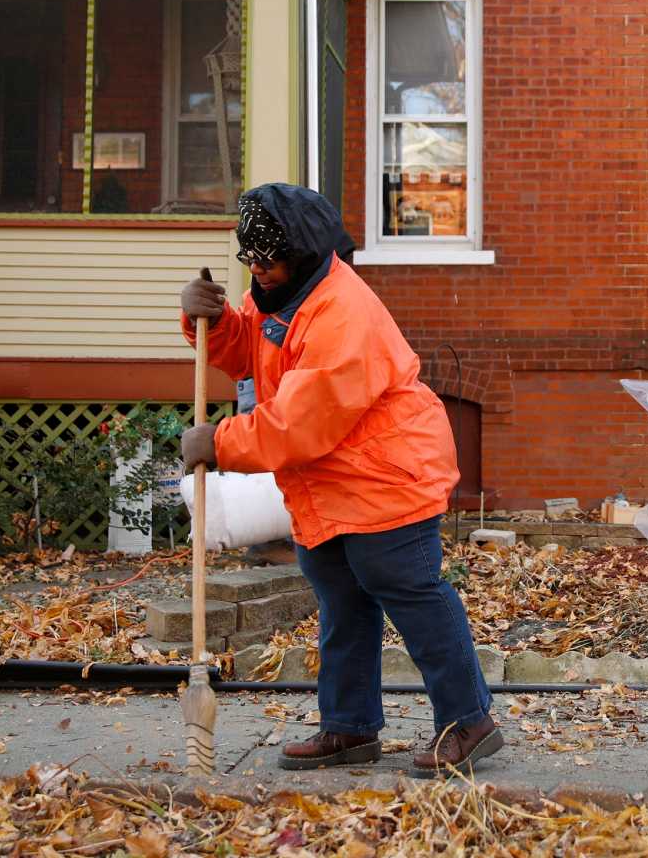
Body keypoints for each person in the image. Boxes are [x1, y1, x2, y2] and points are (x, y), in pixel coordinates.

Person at [177, 182, 501, 775]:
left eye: (267, 263)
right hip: (331, 483)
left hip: (385, 476)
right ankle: (349, 729)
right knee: (341, 600)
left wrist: (218, 442)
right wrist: (216, 320)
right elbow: (250, 346)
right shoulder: (281, 291)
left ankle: (470, 722)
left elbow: (300, 423)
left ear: (299, 253)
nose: (259, 273)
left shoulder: (340, 312)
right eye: (250, 261)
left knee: (411, 593)